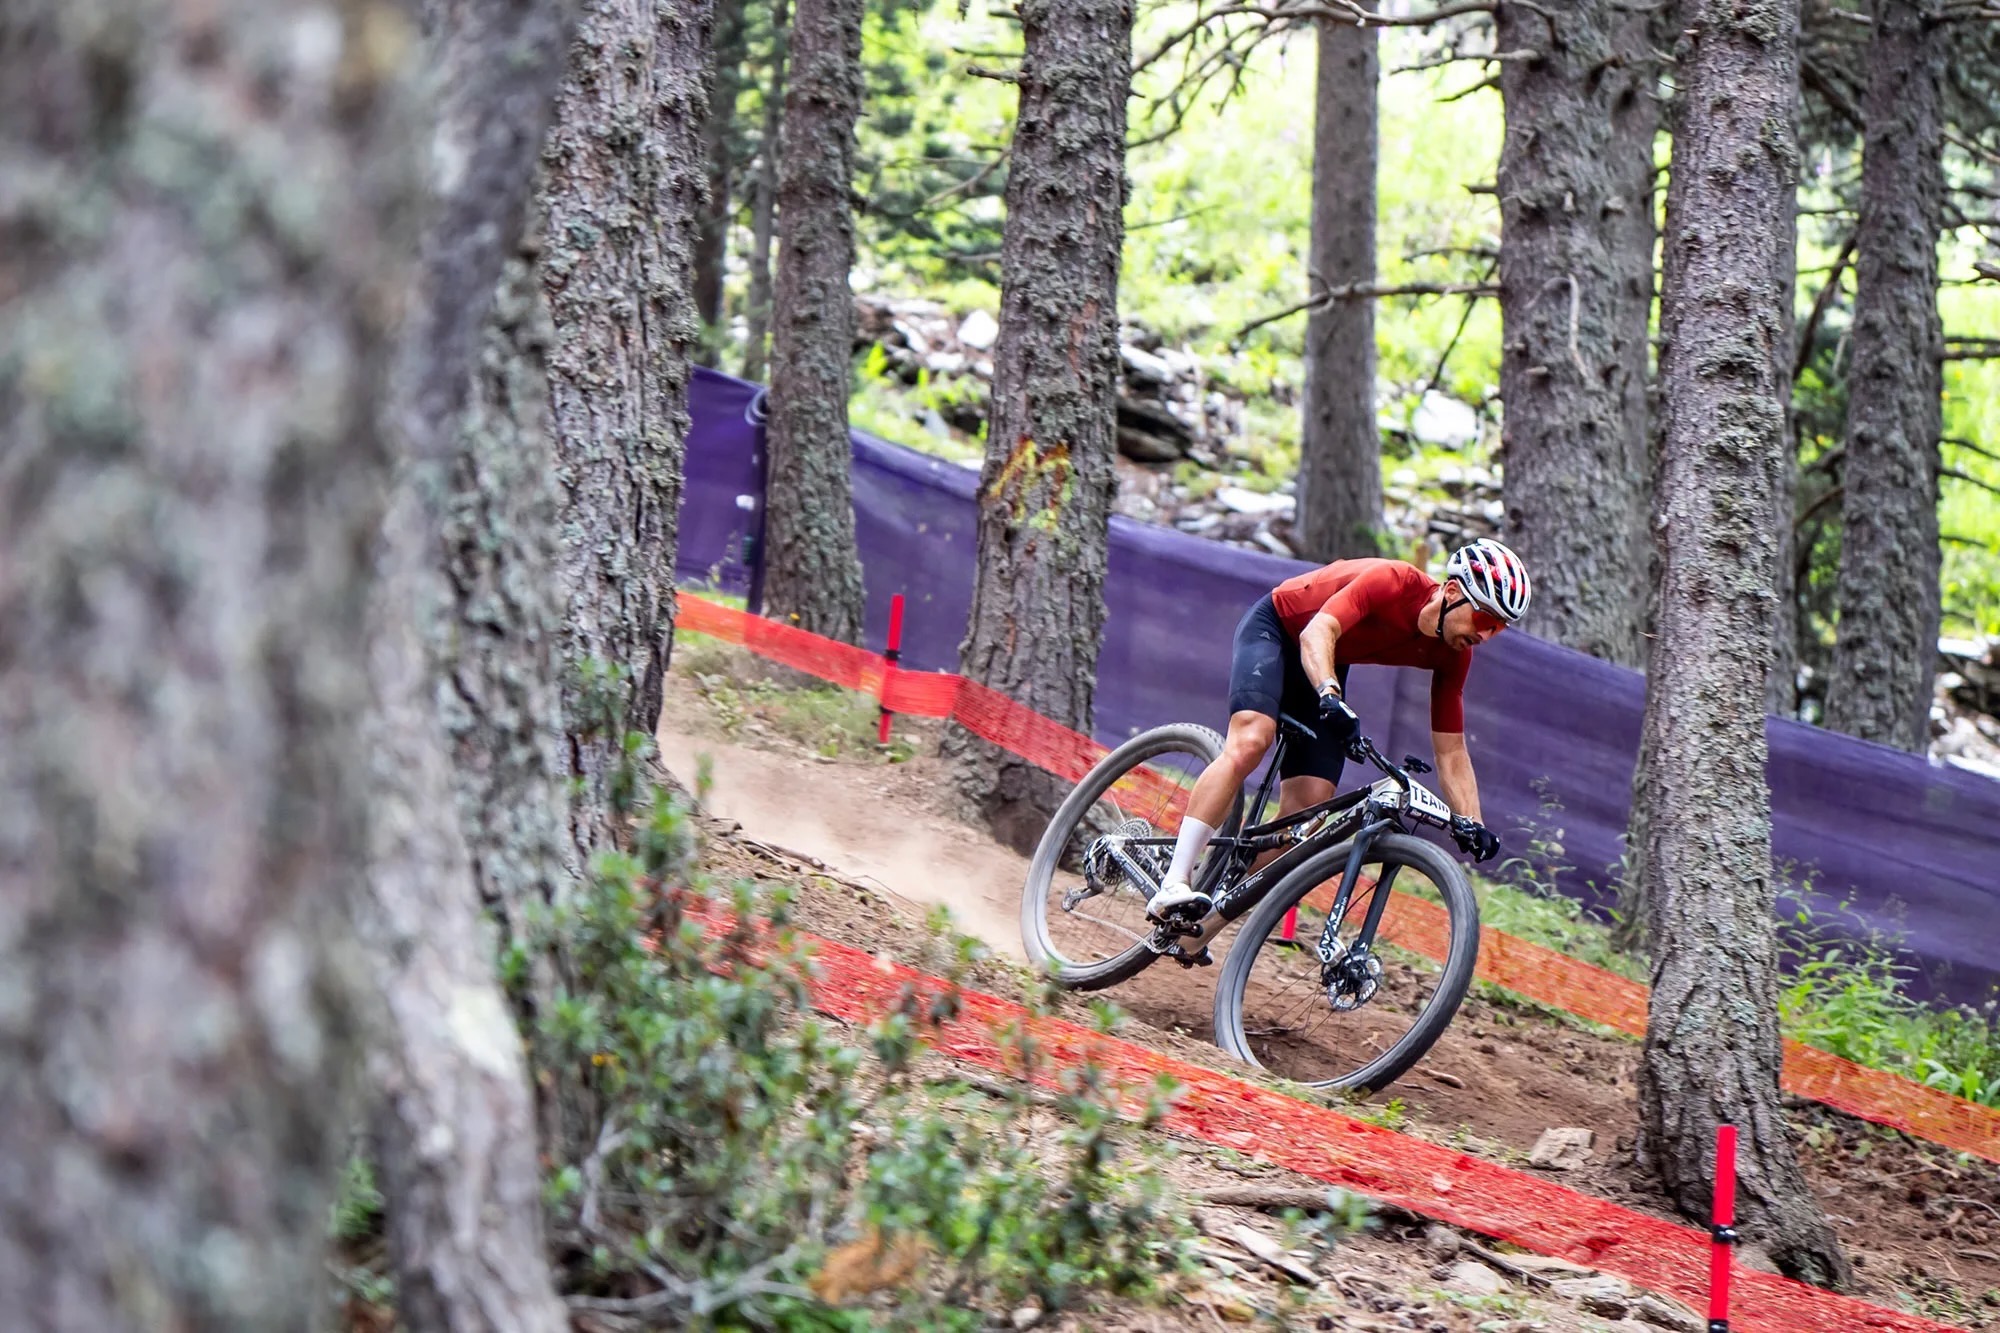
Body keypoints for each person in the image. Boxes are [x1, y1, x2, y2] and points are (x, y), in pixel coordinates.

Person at [1147, 538, 1531, 922]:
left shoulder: (1454, 654)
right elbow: (1319, 631)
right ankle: (1175, 881)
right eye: (1483, 620)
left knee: (1308, 813)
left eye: (1497, 629)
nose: (1484, 636)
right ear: (1451, 592)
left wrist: (1472, 822)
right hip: (1280, 630)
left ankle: (1212, 907)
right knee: (1251, 741)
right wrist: (1329, 693)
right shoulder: (1393, 581)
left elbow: (1451, 750)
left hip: (1327, 661)